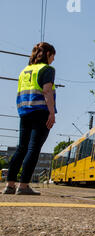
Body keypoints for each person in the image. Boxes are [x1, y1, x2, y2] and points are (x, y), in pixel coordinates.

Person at [2, 42, 57, 195]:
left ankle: (10, 185)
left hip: (24, 111)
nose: (53, 59)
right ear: (47, 54)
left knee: (21, 148)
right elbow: (47, 91)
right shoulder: (47, 69)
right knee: (33, 149)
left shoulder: (25, 70)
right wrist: (51, 113)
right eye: (53, 55)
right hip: (40, 111)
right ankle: (24, 185)